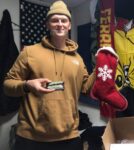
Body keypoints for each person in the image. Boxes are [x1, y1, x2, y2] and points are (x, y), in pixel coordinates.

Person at [3, 1, 96, 150]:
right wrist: (27, 85)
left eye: (64, 20)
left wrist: (101, 68)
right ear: (47, 24)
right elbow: (8, 85)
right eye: (55, 20)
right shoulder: (30, 52)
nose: (60, 24)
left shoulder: (77, 58)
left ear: (69, 25)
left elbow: (85, 87)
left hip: (69, 136)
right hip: (31, 137)